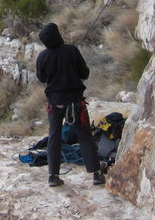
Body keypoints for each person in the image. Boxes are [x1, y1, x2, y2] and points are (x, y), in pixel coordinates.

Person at [35, 22, 105, 187]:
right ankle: (96, 173)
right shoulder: (71, 51)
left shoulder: (42, 57)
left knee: (54, 136)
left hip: (54, 103)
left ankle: (53, 176)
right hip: (75, 102)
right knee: (85, 136)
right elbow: (84, 73)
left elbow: (42, 78)